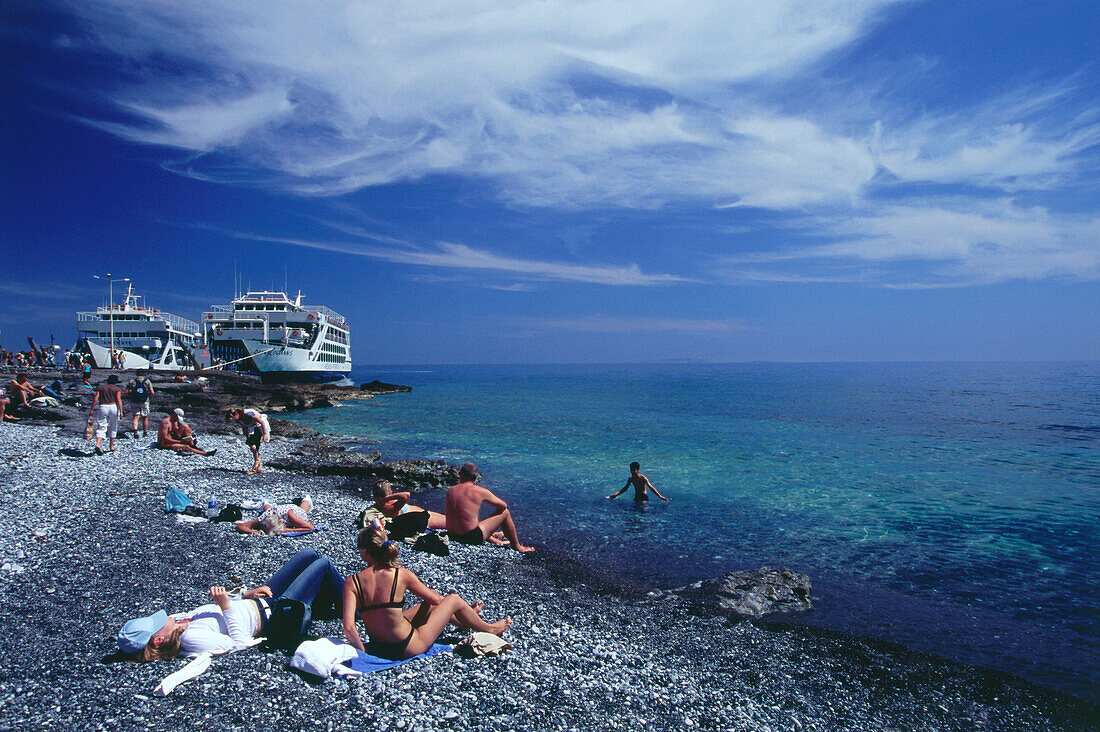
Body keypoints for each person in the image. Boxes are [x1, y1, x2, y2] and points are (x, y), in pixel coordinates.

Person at [117, 548, 344, 662]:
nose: (163, 618)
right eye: (156, 623)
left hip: (260, 601)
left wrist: (245, 594)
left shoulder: (176, 621)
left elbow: (222, 610)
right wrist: (226, 606)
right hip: (277, 618)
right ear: (158, 639)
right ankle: (354, 610)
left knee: (309, 554)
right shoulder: (190, 638)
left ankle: (322, 604)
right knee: (322, 565)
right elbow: (237, 643)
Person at [342, 521, 511, 661]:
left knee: (427, 605)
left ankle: (465, 622)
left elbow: (349, 628)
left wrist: (363, 652)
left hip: (379, 648)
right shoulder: (401, 574)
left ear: (364, 551)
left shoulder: (352, 582)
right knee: (452, 599)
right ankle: (489, 628)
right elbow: (438, 601)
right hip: (408, 647)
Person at [444, 463, 534, 552]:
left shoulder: (451, 490)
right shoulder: (480, 491)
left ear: (461, 475)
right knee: (505, 512)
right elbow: (503, 505)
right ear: (475, 478)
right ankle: (517, 546)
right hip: (470, 538)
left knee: (467, 518)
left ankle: (493, 535)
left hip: (452, 535)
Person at [372, 480, 446, 530]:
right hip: (426, 520)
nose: (392, 491)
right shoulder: (388, 507)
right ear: (388, 492)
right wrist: (386, 498)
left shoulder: (386, 503)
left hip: (425, 514)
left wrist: (385, 498)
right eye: (390, 489)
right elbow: (406, 495)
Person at [236, 496, 314, 535]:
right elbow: (240, 526)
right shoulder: (264, 517)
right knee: (267, 510)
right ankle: (266, 502)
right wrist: (253, 532)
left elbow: (310, 528)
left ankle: (307, 499)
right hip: (274, 511)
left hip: (292, 510)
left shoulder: (291, 515)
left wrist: (288, 530)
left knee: (303, 511)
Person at [87, 374, 124, 455]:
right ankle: (111, 446)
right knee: (113, 426)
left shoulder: (101, 388)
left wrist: (92, 410)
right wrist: (121, 411)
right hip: (113, 406)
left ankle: (98, 444)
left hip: (103, 406)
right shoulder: (117, 389)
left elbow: (95, 399)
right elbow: (119, 400)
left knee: (101, 426)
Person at [226, 407, 270, 475]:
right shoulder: (239, 418)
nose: (234, 420)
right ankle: (259, 467)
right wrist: (246, 435)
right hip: (252, 427)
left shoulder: (248, 414)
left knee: (252, 445)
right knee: (255, 446)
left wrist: (265, 434)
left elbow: (261, 422)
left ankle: (256, 463)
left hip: (259, 426)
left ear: (236, 414)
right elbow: (244, 426)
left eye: (233, 418)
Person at [127, 370, 155, 438]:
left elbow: (127, 392)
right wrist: (146, 395)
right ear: (144, 374)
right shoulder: (147, 381)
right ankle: (145, 432)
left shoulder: (132, 381)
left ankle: (135, 431)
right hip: (144, 401)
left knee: (135, 417)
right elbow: (152, 392)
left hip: (134, 401)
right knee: (144, 417)